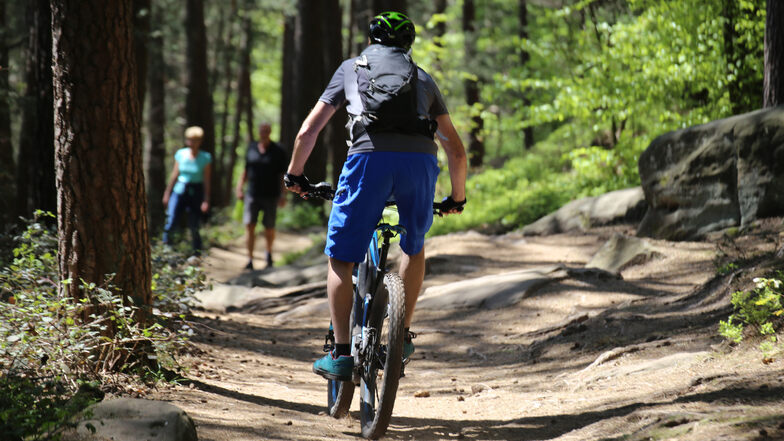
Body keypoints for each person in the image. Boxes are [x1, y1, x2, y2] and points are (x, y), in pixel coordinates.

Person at [285, 11, 467, 381]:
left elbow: (308, 132)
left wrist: (295, 176)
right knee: (414, 248)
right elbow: (456, 150)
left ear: (371, 40)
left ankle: (339, 354)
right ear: (408, 44)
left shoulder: (351, 69)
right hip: (419, 164)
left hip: (368, 161)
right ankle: (400, 337)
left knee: (340, 257)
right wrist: (456, 198)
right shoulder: (423, 78)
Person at [235, 123, 288, 270]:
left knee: (269, 227)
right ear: (259, 132)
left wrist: (283, 194)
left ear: (270, 132)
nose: (264, 133)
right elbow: (246, 169)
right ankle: (250, 258)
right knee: (249, 225)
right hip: (252, 194)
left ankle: (269, 254)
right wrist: (239, 187)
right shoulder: (252, 147)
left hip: (271, 195)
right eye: (262, 130)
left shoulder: (278, 150)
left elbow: (282, 174)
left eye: (266, 131)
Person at [162, 126, 212, 255]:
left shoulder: (205, 157)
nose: (193, 142)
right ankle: (166, 249)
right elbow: (174, 175)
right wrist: (167, 193)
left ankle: (197, 253)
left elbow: (206, 180)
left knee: (194, 224)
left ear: (200, 141)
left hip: (196, 192)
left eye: (196, 140)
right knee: (171, 219)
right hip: (179, 190)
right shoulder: (181, 154)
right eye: (190, 139)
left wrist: (206, 200)